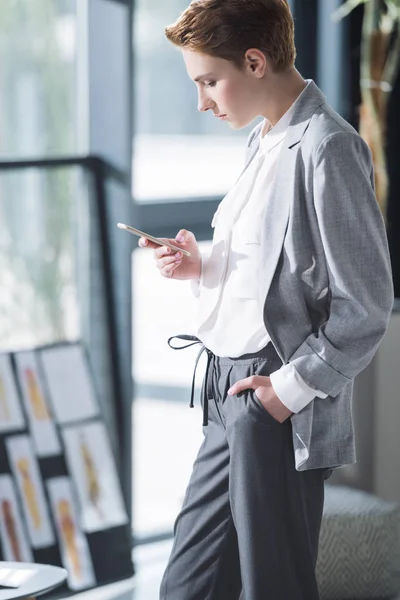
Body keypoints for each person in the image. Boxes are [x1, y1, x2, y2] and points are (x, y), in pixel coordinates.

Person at [139, 1, 394, 598]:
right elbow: (272, 268)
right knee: (187, 586)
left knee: (272, 586)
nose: (202, 101)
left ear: (254, 61)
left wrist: (286, 392)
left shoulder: (328, 147)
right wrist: (202, 262)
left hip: (273, 397)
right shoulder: (265, 140)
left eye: (208, 81)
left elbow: (367, 304)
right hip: (228, 395)